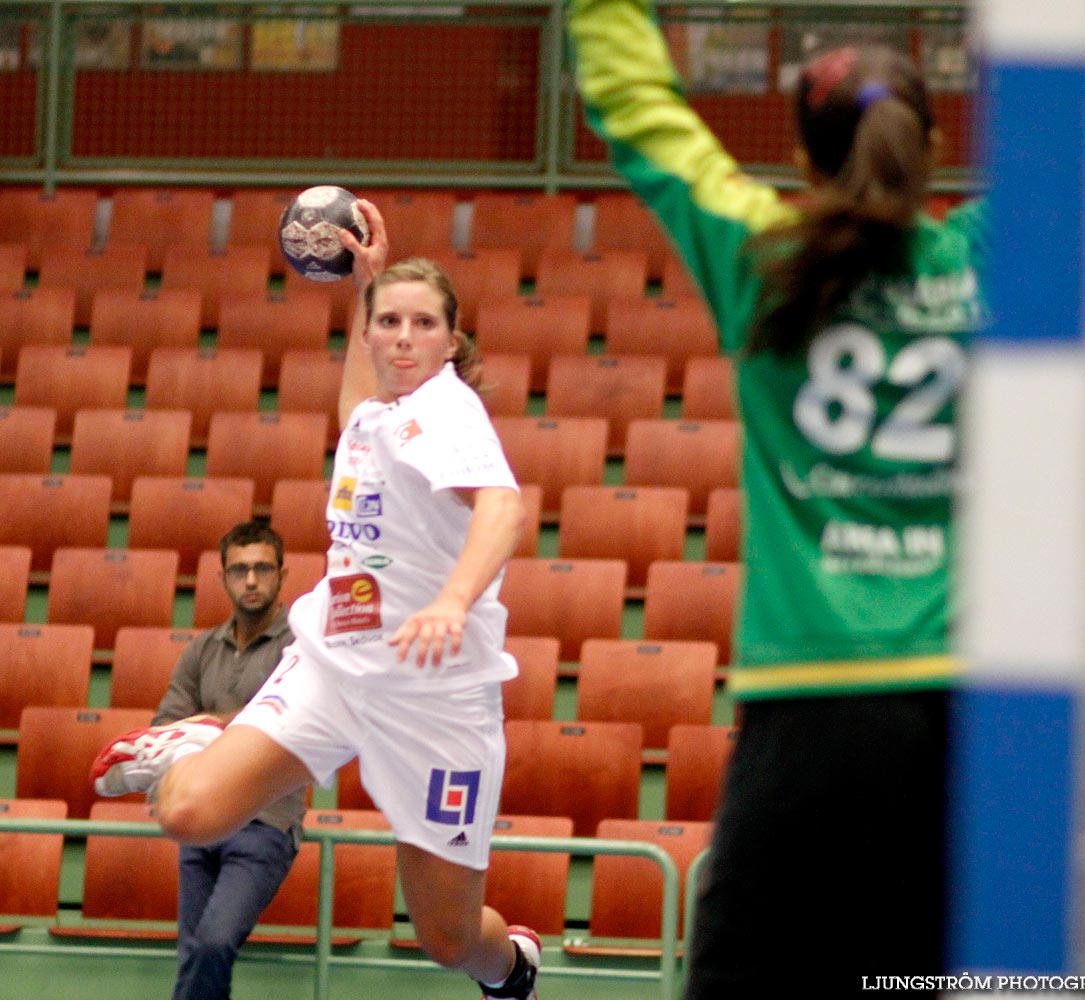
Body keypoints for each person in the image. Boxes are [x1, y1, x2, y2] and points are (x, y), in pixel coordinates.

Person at [569, 3, 987, 994]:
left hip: (806, 712)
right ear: (930, 145)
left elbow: (633, 102)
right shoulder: (1001, 252)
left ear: (799, 155)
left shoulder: (760, 255)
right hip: (963, 713)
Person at [91, 215, 539, 1000]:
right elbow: (355, 404)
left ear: (452, 340)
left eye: (423, 324)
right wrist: (365, 285)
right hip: (332, 670)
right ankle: (201, 740)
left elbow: (503, 506)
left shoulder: (446, 412)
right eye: (388, 324)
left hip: (436, 702)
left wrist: (452, 601)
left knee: (448, 939)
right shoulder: (377, 413)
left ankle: (514, 970)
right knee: (186, 814)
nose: (403, 338)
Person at [154, 521, 304, 1000]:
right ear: (223, 579)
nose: (252, 580)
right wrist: (234, 725)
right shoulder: (201, 649)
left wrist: (206, 725)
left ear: (283, 574)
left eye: (262, 568)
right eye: (239, 570)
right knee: (194, 951)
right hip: (203, 820)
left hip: (266, 824)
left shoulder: (300, 648)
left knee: (213, 943)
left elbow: (287, 727)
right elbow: (167, 729)